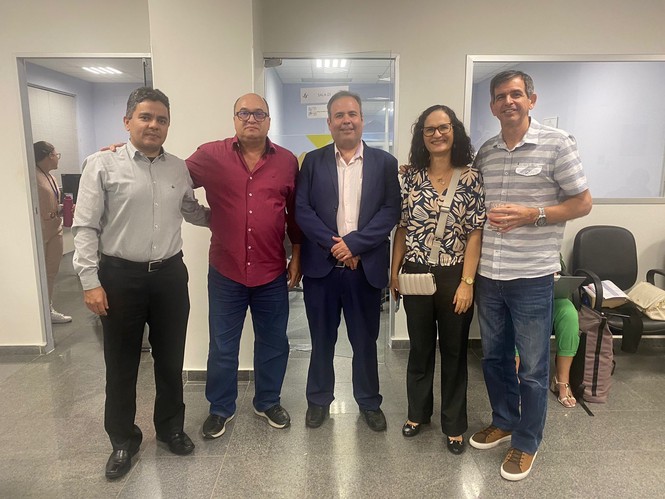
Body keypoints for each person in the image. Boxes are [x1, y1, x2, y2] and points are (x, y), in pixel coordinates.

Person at [73, 87, 210, 479]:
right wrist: (89, 281)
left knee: (171, 359)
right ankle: (123, 440)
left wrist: (233, 220)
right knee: (121, 364)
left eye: (161, 119)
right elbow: (84, 226)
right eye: (145, 117)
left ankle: (170, 429)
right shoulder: (101, 164)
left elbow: (191, 210)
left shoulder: (178, 168)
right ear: (127, 121)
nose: (154, 125)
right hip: (119, 277)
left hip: (169, 276)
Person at [468, 70, 592, 481]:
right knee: (494, 357)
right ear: (492, 106)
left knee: (534, 367)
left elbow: (582, 202)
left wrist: (534, 214)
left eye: (516, 94)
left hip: (532, 277)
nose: (509, 101)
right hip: (489, 274)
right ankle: (504, 421)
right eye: (500, 96)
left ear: (531, 100)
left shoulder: (557, 143)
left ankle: (526, 441)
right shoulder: (486, 152)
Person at [186, 93, 302, 437]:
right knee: (223, 346)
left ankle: (268, 401)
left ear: (268, 120)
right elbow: (169, 179)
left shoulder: (287, 161)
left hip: (271, 269)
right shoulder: (211, 155)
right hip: (226, 270)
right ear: (234, 118)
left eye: (259, 113)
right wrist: (125, 155)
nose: (251, 119)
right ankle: (220, 407)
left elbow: (294, 215)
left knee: (274, 342)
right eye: (244, 113)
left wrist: (297, 254)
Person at [296, 90, 401, 431]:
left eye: (352, 114)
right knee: (321, 340)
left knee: (365, 342)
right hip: (322, 270)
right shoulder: (312, 161)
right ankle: (318, 400)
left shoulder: (385, 163)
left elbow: (390, 211)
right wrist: (336, 247)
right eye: (339, 115)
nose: (346, 120)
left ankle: (369, 402)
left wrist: (354, 245)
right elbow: (302, 210)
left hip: (364, 270)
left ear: (362, 120)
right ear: (329, 123)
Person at [390, 105, 485, 454]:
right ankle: (417, 414)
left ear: (454, 131)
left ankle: (454, 424)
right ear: (422, 137)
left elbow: (475, 233)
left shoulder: (471, 178)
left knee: (455, 351)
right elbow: (402, 229)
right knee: (420, 348)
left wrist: (467, 282)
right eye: (429, 129)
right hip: (415, 272)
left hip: (454, 274)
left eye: (443, 127)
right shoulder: (411, 177)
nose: (437, 134)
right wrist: (394, 272)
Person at [516, 297, 581, 408]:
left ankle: (561, 380)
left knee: (569, 313)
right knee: (514, 311)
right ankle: (515, 377)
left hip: (551, 298)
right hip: (519, 298)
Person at [34, 141, 72, 324]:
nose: (58, 158)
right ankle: (38, 311)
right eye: (57, 154)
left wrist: (62, 208)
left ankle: (47, 309)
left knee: (51, 272)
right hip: (40, 232)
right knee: (39, 273)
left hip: (55, 229)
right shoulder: (32, 176)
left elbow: (49, 203)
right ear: (49, 155)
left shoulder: (50, 177)